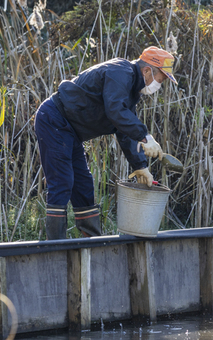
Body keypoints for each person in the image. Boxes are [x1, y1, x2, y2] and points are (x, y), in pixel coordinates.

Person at [34, 46, 177, 240]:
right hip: (54, 119)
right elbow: (116, 112)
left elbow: (123, 130)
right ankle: (56, 247)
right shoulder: (120, 72)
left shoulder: (131, 89)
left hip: (71, 131)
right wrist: (145, 137)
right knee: (62, 181)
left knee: (83, 184)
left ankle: (91, 243)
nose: (158, 85)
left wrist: (140, 166)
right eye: (160, 79)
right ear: (147, 70)